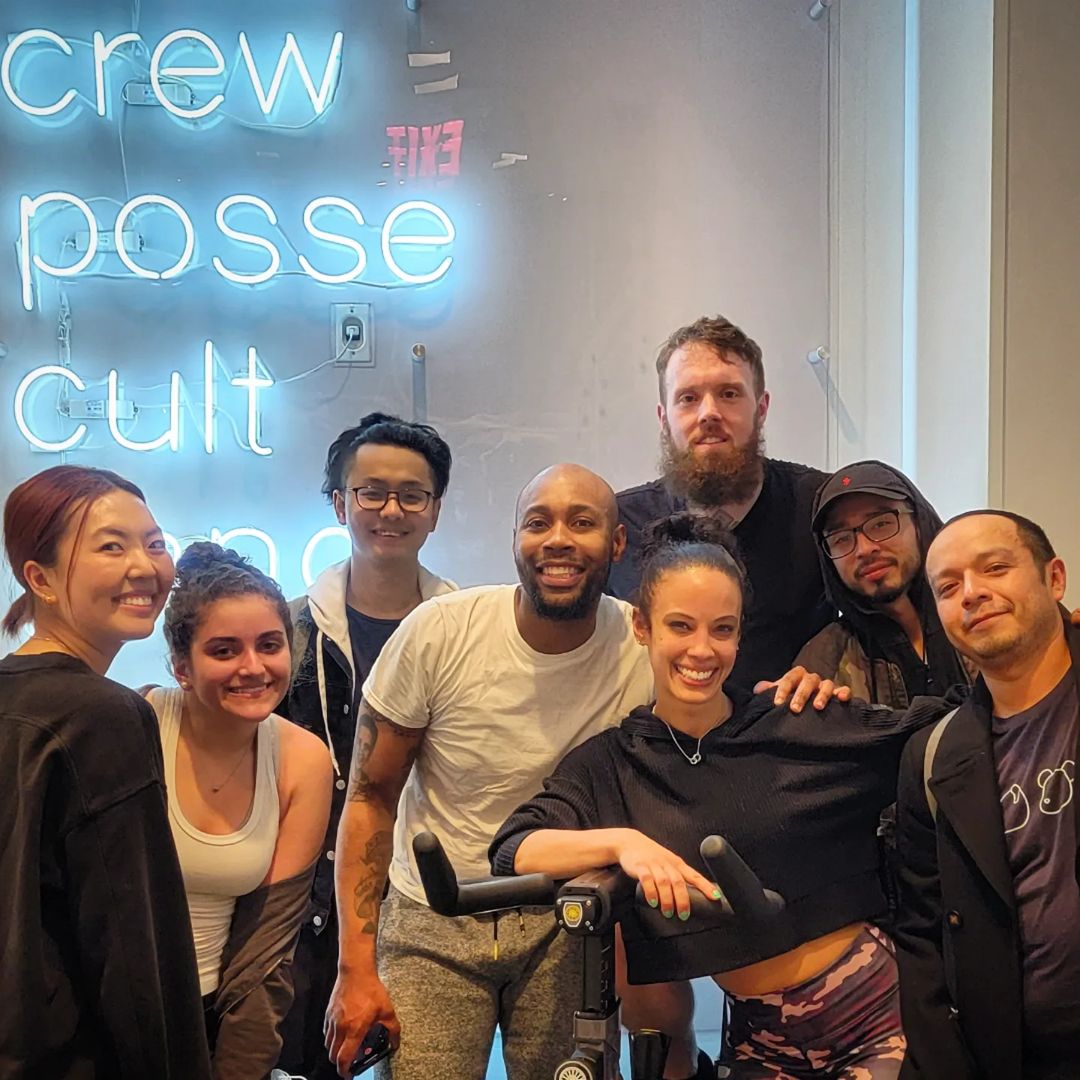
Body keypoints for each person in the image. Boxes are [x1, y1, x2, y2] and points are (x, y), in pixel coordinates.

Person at [491, 512, 954, 1078]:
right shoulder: (612, 763)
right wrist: (623, 844)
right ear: (642, 626)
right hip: (759, 1040)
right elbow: (513, 848)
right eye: (681, 626)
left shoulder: (794, 718)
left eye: (722, 629)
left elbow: (945, 730)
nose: (702, 650)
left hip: (874, 1015)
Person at [0, 464, 212, 1079]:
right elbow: (133, 949)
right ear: (39, 578)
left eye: (154, 543)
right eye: (111, 547)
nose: (145, 567)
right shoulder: (103, 716)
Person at [277, 413, 456, 1080]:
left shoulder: (464, 630)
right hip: (307, 904)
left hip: (423, 899)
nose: (391, 510)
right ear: (338, 503)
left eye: (412, 495)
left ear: (435, 510)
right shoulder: (288, 631)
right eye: (371, 492)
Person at [894, 511, 1080, 1079]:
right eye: (948, 587)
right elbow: (922, 935)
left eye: (995, 568)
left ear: (1054, 578)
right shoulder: (931, 757)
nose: (972, 594)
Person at [145, 541, 332, 1079]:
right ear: (182, 666)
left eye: (269, 645)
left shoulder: (303, 760)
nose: (252, 668)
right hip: (114, 1013)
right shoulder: (138, 725)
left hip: (213, 1016)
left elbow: (266, 953)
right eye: (224, 650)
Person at [608, 314, 832, 693]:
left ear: (761, 408)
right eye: (688, 398)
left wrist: (825, 666)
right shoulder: (620, 526)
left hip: (788, 726)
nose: (709, 413)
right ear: (664, 418)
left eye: (729, 394)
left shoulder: (822, 509)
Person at [796, 460, 972, 706]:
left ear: (919, 523)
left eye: (881, 524)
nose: (864, 549)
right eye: (841, 538)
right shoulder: (824, 662)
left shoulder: (977, 611)